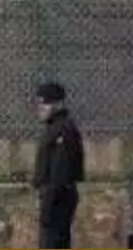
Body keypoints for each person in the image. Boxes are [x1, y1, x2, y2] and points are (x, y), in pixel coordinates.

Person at [30, 82, 85, 250]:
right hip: (53, 198)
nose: (40, 108)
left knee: (53, 243)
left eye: (44, 103)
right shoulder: (54, 128)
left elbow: (59, 173)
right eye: (38, 104)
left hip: (58, 200)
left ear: (57, 104)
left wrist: (48, 203)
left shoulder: (63, 130)